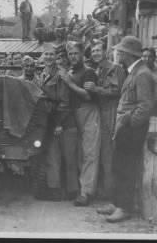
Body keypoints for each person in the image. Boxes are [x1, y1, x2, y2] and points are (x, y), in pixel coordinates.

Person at [97, 36, 155, 223]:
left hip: (131, 129)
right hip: (124, 126)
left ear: (128, 54)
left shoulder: (142, 74)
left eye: (120, 51)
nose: (117, 53)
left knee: (127, 168)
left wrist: (130, 123)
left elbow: (145, 106)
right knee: (119, 166)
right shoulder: (132, 72)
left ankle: (125, 208)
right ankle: (117, 202)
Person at [84, 40, 126, 199]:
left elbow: (117, 91)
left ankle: (113, 194)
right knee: (103, 153)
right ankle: (106, 191)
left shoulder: (115, 69)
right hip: (100, 113)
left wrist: (96, 89)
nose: (95, 53)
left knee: (110, 154)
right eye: (93, 51)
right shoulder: (98, 70)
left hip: (112, 113)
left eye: (98, 50)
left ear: (105, 52)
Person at [61, 41, 101, 206]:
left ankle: (86, 192)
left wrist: (69, 83)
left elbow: (87, 95)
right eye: (70, 54)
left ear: (83, 55)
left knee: (89, 153)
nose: (73, 57)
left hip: (88, 111)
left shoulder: (89, 72)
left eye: (76, 53)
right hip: (75, 113)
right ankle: (80, 188)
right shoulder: (70, 71)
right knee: (78, 153)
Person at [39, 45, 79, 201]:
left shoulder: (61, 75)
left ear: (56, 58)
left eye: (52, 55)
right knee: (52, 157)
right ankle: (54, 190)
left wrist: (59, 123)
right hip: (50, 121)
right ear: (42, 57)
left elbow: (64, 102)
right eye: (46, 54)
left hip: (64, 121)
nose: (48, 57)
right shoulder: (42, 74)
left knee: (69, 158)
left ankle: (72, 191)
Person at [142, 47, 157, 114]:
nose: (147, 59)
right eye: (144, 56)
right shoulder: (138, 72)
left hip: (155, 107)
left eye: (150, 57)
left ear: (154, 58)